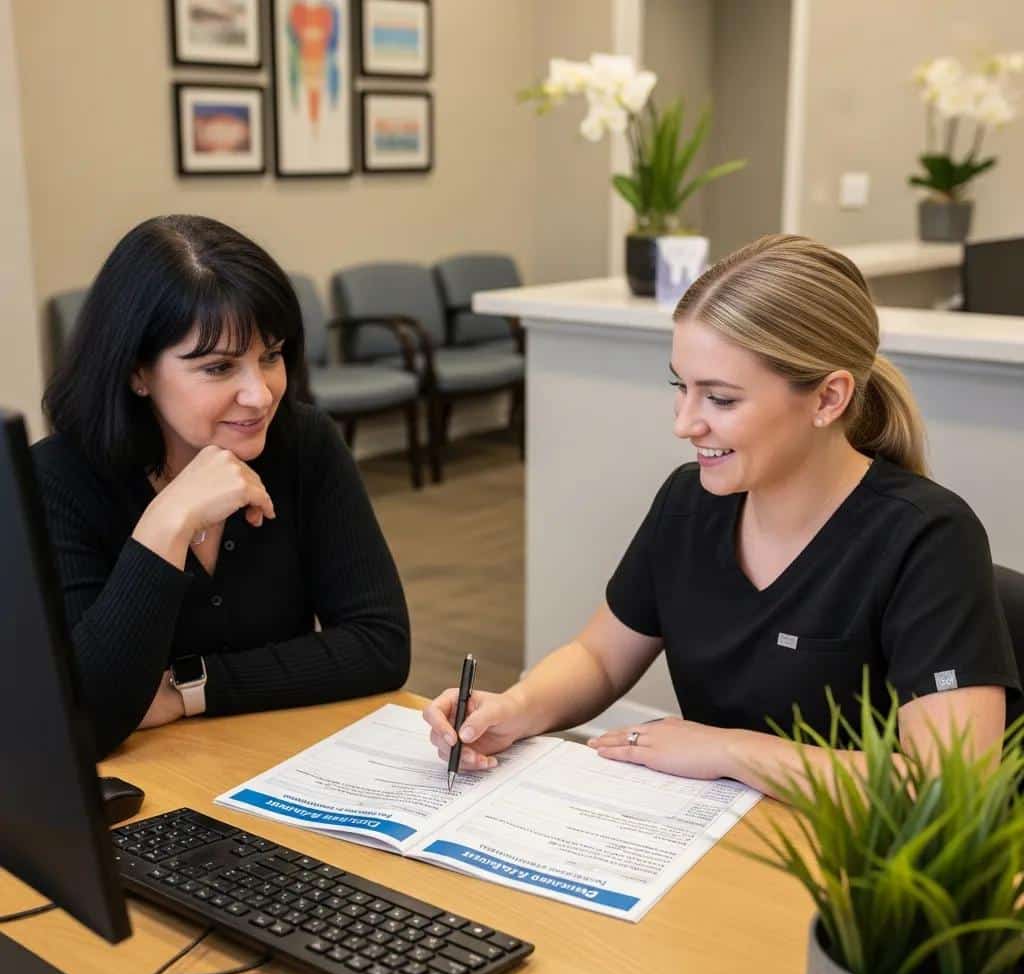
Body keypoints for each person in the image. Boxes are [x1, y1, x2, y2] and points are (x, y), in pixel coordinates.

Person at [424, 234, 1020, 801]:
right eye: (680, 387)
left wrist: (728, 751)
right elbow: (600, 658)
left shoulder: (928, 537)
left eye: (721, 398)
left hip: (854, 857)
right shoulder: (689, 502)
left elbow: (945, 785)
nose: (685, 423)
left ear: (828, 398)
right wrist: (516, 708)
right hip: (715, 833)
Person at [36, 214, 410, 760]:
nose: (260, 395)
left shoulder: (304, 442)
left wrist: (186, 690)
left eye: (270, 356)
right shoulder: (58, 478)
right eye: (218, 368)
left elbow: (380, 644)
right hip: (152, 783)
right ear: (137, 372)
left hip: (280, 760)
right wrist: (168, 521)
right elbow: (82, 721)